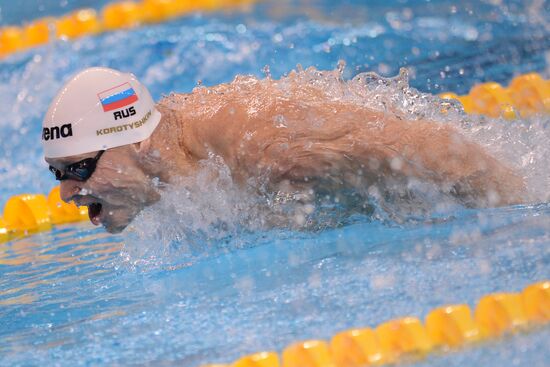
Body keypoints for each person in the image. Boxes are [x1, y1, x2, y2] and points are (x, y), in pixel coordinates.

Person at [43, 67, 526, 233]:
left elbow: (436, 148)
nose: (67, 194)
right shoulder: (172, 173)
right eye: (58, 174)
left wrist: (522, 218)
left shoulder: (264, 147)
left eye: (79, 169)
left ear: (137, 142)